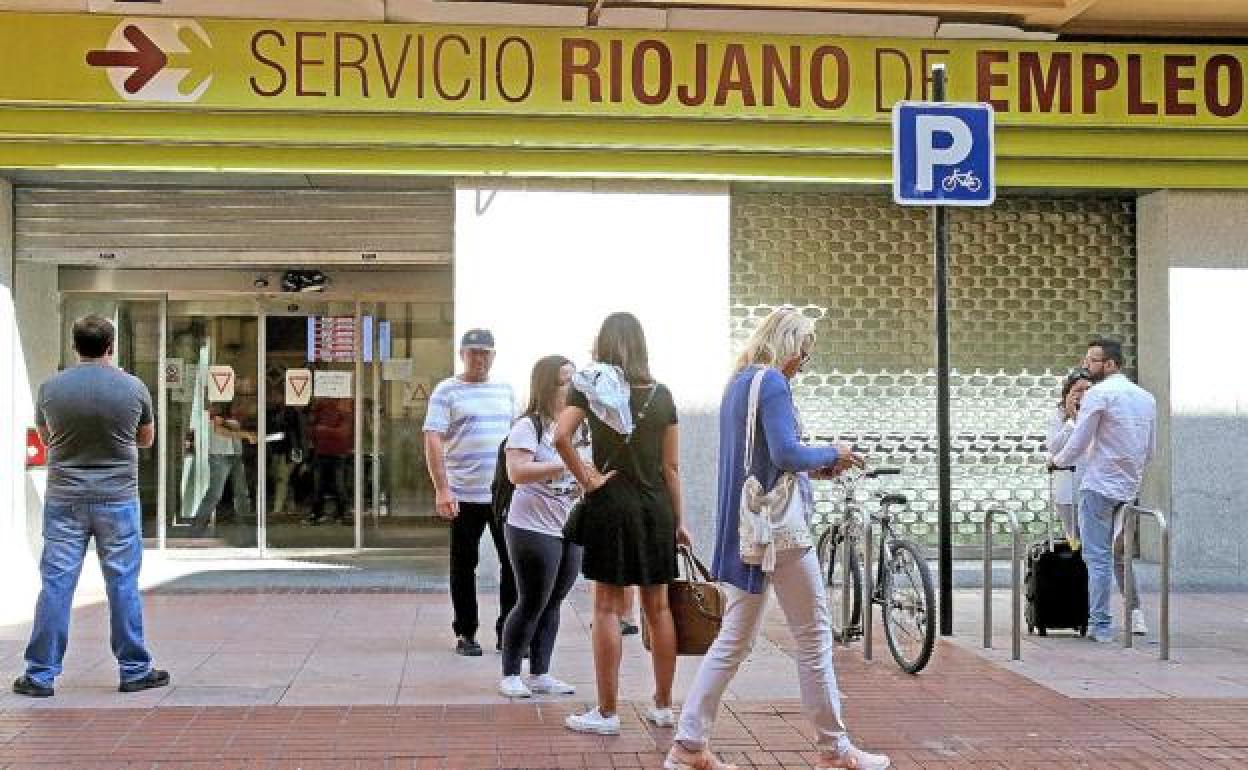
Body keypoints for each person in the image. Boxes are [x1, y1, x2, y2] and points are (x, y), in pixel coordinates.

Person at [666, 306, 890, 770]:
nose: (803, 364)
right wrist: (836, 452)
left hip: (748, 532)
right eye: (804, 353)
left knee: (733, 641)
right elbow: (787, 451)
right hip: (779, 536)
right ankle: (835, 749)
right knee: (812, 637)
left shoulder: (738, 382)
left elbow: (767, 458)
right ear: (788, 345)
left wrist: (818, 468)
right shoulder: (771, 382)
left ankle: (688, 745)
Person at [13, 315, 169, 697]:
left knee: (56, 585)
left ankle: (39, 675)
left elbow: (48, 437)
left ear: (75, 345)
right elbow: (146, 439)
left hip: (65, 498)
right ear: (111, 345)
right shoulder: (132, 387)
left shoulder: (52, 388)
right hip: (118, 498)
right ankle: (134, 670)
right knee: (122, 584)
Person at [554, 311, 690, 736]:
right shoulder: (662, 394)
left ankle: (608, 713)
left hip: (611, 504)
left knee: (607, 608)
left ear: (604, 344)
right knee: (659, 607)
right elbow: (671, 466)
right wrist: (678, 523)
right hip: (655, 508)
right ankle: (664, 706)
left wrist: (588, 477)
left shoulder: (589, 386)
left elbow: (560, 437)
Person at [1051, 338, 1156, 643]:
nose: (1086, 365)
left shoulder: (1099, 394)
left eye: (1092, 360)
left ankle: (1101, 625)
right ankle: (1133, 614)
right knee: (1120, 556)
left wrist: (1056, 462)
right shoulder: (1146, 398)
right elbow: (1149, 450)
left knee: (1097, 558)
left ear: (1110, 364)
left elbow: (1079, 442)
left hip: (1098, 485)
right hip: (1129, 488)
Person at [424, 328, 518, 656]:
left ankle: (509, 631)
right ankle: (465, 632)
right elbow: (432, 437)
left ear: (494, 355)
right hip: (463, 495)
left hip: (503, 495)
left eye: (486, 352)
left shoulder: (506, 390)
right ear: (462, 354)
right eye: (473, 351)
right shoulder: (446, 391)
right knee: (464, 565)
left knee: (513, 564)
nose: (480, 358)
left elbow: (519, 437)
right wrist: (442, 488)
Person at [497, 356, 586, 698]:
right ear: (547, 386)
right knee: (532, 600)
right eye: (566, 382)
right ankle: (510, 672)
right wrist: (564, 462)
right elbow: (516, 472)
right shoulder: (528, 426)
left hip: (568, 524)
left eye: (575, 382)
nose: (573, 389)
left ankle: (540, 672)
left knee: (555, 600)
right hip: (531, 526)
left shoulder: (579, 427)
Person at [190, 403, 256, 536]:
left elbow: (230, 429)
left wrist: (247, 434)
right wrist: (246, 435)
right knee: (215, 493)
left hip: (235, 456)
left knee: (241, 493)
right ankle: (197, 528)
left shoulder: (230, 417)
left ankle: (247, 528)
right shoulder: (215, 415)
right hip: (219, 456)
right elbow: (221, 431)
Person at [1047, 368, 1093, 546]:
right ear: (1068, 394)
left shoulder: (1096, 413)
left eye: (1088, 389)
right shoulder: (1059, 416)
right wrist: (1072, 421)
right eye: (1078, 390)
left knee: (1093, 542)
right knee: (1075, 540)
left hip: (1093, 489)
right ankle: (1078, 572)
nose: (1083, 395)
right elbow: (1053, 447)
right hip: (1067, 489)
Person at [308, 396, 352, 526]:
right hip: (322, 452)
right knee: (318, 486)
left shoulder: (342, 410)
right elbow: (312, 431)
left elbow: (343, 433)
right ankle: (318, 513)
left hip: (337, 454)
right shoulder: (318, 411)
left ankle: (342, 513)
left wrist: (323, 430)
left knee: (338, 485)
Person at [266, 381, 307, 517]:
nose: (272, 398)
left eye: (275, 395)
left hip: (288, 450)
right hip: (279, 450)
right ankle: (290, 506)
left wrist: (301, 456)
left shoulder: (291, 413)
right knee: (285, 478)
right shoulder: (274, 412)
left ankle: (278, 508)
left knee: (282, 478)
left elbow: (299, 435)